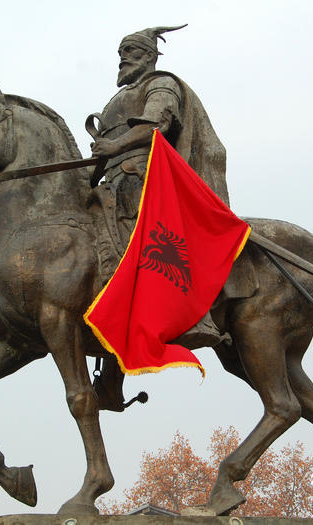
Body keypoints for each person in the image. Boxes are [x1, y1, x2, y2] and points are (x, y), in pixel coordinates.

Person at [88, 25, 232, 410]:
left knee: (141, 251)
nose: (123, 59)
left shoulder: (160, 83)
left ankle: (194, 315)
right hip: (113, 184)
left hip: (147, 183)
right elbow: (106, 152)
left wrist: (116, 144)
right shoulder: (116, 100)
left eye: (131, 52)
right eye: (121, 52)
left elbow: (157, 125)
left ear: (149, 57)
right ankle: (111, 362)